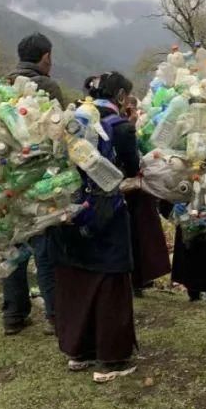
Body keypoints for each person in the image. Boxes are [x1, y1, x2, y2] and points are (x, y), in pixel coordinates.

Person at [47, 72, 138, 381]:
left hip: (66, 211)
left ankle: (78, 350)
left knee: (75, 277)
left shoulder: (68, 120)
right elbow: (132, 168)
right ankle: (113, 358)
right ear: (122, 96)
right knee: (109, 280)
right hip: (105, 212)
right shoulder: (121, 127)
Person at [1, 34, 64, 335]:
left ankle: (13, 314)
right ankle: (55, 314)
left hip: (5, 177)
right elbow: (60, 128)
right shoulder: (46, 85)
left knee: (13, 244)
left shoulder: (3, 83)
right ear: (46, 57)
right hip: (40, 177)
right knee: (44, 246)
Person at [115, 92, 170, 298]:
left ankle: (140, 279)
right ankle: (135, 280)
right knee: (137, 235)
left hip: (137, 188)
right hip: (131, 188)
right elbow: (132, 160)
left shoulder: (129, 126)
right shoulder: (122, 128)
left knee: (141, 235)